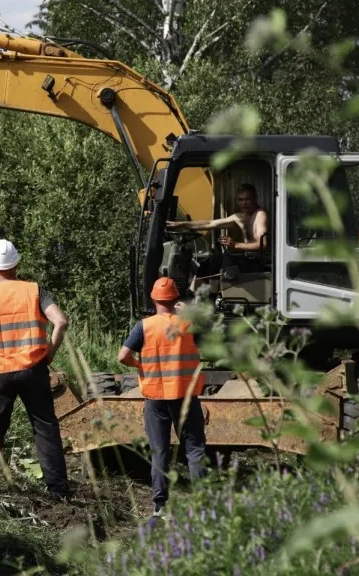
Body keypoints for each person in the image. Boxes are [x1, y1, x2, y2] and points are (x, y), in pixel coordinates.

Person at [0, 239, 71, 500]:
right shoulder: (36, 291)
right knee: (45, 427)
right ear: (17, 264)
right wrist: (49, 353)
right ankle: (59, 492)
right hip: (33, 369)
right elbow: (61, 321)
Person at [117, 277, 208, 516]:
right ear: (176, 298)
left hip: (156, 397)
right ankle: (202, 505)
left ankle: (160, 505)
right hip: (185, 396)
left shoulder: (144, 326)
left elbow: (122, 356)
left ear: (154, 299)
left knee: (159, 451)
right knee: (195, 450)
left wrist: (140, 365)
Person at [166, 183, 268, 293]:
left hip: (257, 262)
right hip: (245, 258)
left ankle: (212, 296)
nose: (244, 203)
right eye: (240, 200)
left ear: (255, 198)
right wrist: (180, 224)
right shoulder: (240, 217)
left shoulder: (260, 215)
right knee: (206, 262)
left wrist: (235, 245)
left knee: (216, 261)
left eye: (247, 199)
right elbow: (210, 223)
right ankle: (193, 294)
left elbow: (263, 244)